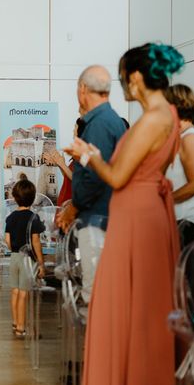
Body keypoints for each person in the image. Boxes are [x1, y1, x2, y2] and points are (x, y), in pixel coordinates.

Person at [65, 43, 184, 385]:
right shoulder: (169, 115)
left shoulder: (152, 118)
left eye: (123, 79)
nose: (123, 87)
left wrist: (87, 156)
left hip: (134, 220)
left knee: (123, 310)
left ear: (135, 77)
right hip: (142, 215)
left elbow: (117, 176)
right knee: (142, 310)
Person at [57, 65, 126, 304]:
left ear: (83, 89)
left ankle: (97, 342)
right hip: (105, 217)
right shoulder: (112, 121)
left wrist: (72, 208)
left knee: (94, 294)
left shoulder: (99, 125)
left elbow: (95, 177)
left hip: (97, 219)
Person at [5, 177, 45, 339]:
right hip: (27, 259)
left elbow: (7, 240)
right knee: (24, 293)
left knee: (14, 291)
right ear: (33, 198)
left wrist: (13, 247)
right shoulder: (33, 218)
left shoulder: (11, 217)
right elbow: (36, 241)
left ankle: (15, 323)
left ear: (15, 197)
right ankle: (22, 328)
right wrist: (41, 262)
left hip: (14, 257)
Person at [165, 84, 194, 247]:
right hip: (180, 223)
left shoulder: (190, 138)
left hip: (189, 225)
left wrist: (167, 198)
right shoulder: (182, 137)